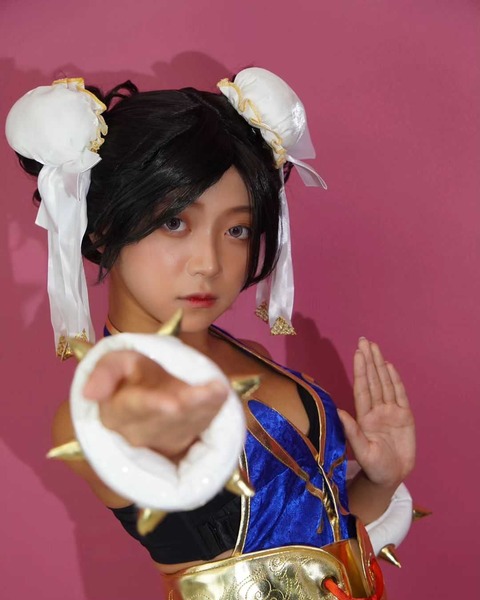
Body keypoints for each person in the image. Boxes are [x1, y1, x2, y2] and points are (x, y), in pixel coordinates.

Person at [6, 69, 415, 599]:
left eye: (236, 229)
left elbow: (315, 545)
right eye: (175, 222)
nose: (210, 263)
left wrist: (381, 480)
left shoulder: (247, 353)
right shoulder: (104, 416)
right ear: (102, 225)